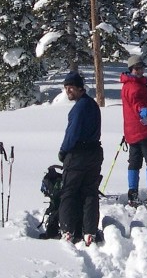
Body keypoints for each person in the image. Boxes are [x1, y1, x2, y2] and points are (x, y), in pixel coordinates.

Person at [58, 71, 104, 246]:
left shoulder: (79, 108)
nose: (68, 91)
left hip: (78, 155)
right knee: (90, 193)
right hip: (94, 154)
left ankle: (68, 230)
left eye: (71, 87)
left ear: (79, 88)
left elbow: (72, 133)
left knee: (68, 192)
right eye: (66, 88)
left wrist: (63, 151)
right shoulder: (92, 105)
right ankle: (89, 231)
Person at [120, 55, 147, 210]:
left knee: (135, 162)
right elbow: (137, 104)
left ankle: (133, 195)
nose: (139, 71)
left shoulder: (128, 84)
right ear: (131, 69)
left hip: (132, 132)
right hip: (143, 130)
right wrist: (146, 113)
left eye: (141, 68)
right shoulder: (134, 86)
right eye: (136, 68)